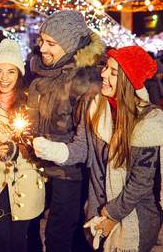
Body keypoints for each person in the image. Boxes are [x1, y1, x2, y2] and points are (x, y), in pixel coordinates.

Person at [33, 46, 162, 252]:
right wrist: (54, 150)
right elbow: (82, 148)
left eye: (113, 72)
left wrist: (112, 215)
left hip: (134, 218)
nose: (103, 74)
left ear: (129, 82)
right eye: (105, 68)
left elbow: (140, 182)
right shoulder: (95, 106)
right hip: (96, 213)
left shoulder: (149, 122)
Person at [27, 10, 104, 252]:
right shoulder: (42, 73)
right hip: (39, 165)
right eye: (42, 40)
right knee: (28, 224)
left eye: (51, 43)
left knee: (59, 235)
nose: (42, 48)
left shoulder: (84, 79)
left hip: (69, 173)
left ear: (70, 45)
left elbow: (87, 140)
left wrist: (52, 147)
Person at [0, 39, 45, 252]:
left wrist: (15, 149)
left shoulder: (31, 102)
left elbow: (39, 143)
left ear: (19, 74)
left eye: (11, 72)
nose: (4, 78)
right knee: (0, 241)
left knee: (20, 242)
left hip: (25, 181)